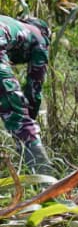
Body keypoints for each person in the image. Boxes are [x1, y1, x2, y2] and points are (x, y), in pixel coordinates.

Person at [0, 15, 51, 174]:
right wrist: (28, 118)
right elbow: (34, 90)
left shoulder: (11, 25)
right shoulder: (40, 37)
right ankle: (45, 178)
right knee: (18, 117)